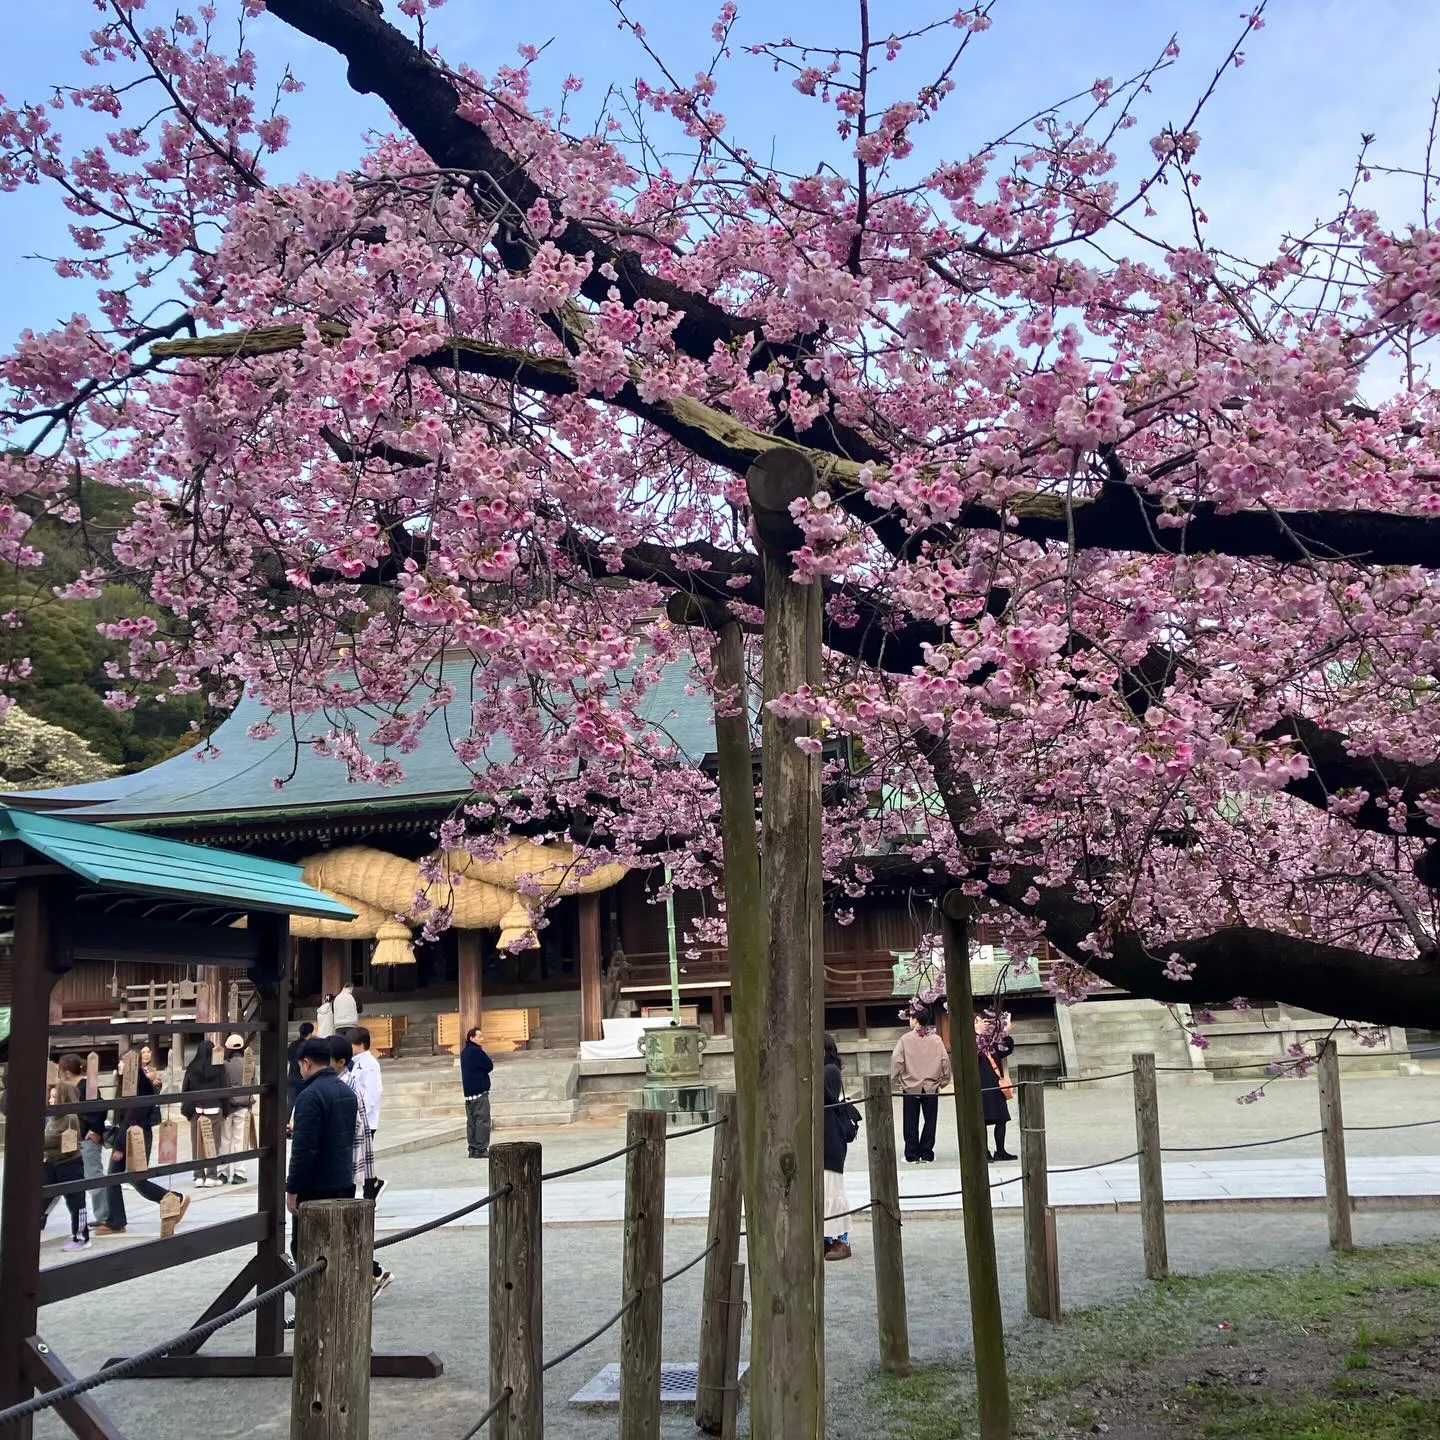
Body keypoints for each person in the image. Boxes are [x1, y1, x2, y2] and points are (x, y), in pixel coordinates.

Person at [95, 1058, 188, 1237]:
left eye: (123, 1062)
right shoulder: (129, 1085)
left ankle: (117, 1221)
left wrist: (120, 1146)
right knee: (134, 1179)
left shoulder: (140, 1085)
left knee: (123, 1178)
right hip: (130, 1135)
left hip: (134, 1136)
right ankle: (172, 1199)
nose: (119, 1066)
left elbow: (133, 1117)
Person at [286, 1036, 359, 1262]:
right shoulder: (347, 1092)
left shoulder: (309, 1096)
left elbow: (304, 1149)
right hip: (344, 1179)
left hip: (316, 1186)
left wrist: (292, 1188)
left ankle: (314, 1298)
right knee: (339, 1248)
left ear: (306, 1063)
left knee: (308, 1249)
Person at [330, 1033, 392, 1298]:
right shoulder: (349, 1076)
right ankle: (372, 1273)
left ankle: (373, 1273)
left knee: (343, 1226)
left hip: (353, 1141)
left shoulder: (364, 1068)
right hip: (352, 1144)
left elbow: (373, 1093)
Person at [891, 1000, 952, 1164]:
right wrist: (944, 1080)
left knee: (910, 1120)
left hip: (911, 1086)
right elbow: (945, 1061)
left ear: (915, 1019)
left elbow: (897, 1061)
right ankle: (927, 1152)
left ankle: (911, 1153)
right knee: (930, 1120)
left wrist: (894, 1079)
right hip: (931, 1085)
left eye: (911, 1017)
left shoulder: (905, 1039)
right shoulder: (937, 1039)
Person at [42, 1054, 90, 1251]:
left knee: (75, 1201)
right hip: (51, 1163)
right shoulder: (51, 1118)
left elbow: (62, 1141)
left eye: (55, 1097)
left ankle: (81, 1237)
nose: (51, 1100)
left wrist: (40, 1142)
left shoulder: (70, 1118)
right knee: (40, 1197)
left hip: (69, 1163)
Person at [822, 1034, 857, 1261]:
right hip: (819, 1137)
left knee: (832, 1190)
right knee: (821, 1191)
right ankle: (824, 1238)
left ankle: (841, 1241)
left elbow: (824, 1094)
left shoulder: (829, 1071)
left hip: (831, 1138)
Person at [181, 1039, 227, 1188]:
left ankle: (198, 1175)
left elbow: (185, 1090)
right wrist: (225, 1110)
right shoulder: (218, 1068)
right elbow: (224, 1089)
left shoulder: (192, 1067)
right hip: (214, 1110)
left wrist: (187, 1110)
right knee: (214, 1143)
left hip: (197, 1111)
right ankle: (211, 1176)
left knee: (197, 1144)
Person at [976, 1011, 1017, 1162]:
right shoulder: (971, 1039)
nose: (984, 1024)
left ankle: (1000, 1150)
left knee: (1001, 1118)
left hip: (996, 1083)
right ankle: (983, 1151)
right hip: (980, 1084)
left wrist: (1005, 1034)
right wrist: (978, 1035)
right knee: (982, 1120)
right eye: (980, 1021)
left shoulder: (993, 1040)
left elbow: (1006, 1051)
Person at [76, 1059, 111, 1232]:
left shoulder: (86, 1086)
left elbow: (99, 1109)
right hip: (75, 1138)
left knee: (93, 1175)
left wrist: (91, 1130)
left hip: (87, 1137)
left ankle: (103, 1215)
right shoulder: (74, 1087)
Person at [221, 1034, 252, 1185]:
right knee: (240, 1140)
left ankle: (223, 1172)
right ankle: (239, 1172)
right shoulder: (249, 1064)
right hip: (244, 1105)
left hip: (227, 1106)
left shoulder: (224, 1065)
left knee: (225, 1139)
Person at [460, 1027, 494, 1160]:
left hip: (469, 1093)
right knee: (482, 1120)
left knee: (472, 1121)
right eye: (479, 1036)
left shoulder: (464, 1052)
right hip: (479, 1091)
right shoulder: (476, 1051)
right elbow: (489, 1065)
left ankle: (472, 1148)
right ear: (471, 1038)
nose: (482, 1039)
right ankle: (481, 1148)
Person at [287, 1021, 315, 1117]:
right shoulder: (309, 1046)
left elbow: (289, 1057)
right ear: (311, 1033)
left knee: (290, 1103)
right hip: (305, 1078)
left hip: (292, 1076)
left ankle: (284, 1124)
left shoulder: (292, 1045)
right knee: (304, 1104)